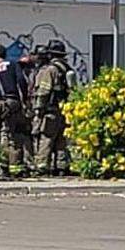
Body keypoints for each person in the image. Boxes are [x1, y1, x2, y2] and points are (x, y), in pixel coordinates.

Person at [0, 43, 29, 177]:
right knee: (8, 134)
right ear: (4, 54)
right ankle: (9, 167)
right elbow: (21, 81)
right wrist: (24, 99)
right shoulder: (12, 64)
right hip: (10, 101)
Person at [34, 40, 75, 175]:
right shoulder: (68, 69)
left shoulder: (50, 70)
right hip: (64, 110)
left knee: (47, 137)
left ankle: (42, 166)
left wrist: (38, 110)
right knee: (61, 140)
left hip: (50, 110)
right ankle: (61, 167)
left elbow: (44, 91)